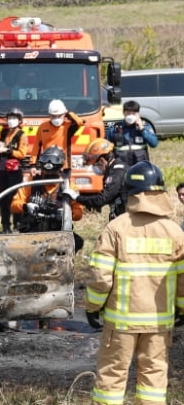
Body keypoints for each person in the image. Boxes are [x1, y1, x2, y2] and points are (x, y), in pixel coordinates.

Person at [86, 161, 184, 405]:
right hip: (159, 324)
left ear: (130, 193)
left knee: (112, 376)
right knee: (153, 377)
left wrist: (92, 307)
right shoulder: (175, 232)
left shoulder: (115, 229)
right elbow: (182, 279)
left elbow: (100, 276)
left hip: (120, 322)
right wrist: (181, 308)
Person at [11, 145, 84, 251]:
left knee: (77, 242)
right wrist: (25, 206)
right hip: (32, 232)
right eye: (46, 171)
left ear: (60, 169)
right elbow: (14, 205)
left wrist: (67, 213)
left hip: (57, 233)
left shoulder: (68, 186)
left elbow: (79, 213)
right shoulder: (32, 182)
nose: (49, 174)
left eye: (53, 172)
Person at [62, 138, 128, 221]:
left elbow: (101, 199)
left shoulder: (118, 172)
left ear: (102, 160)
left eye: (95, 165)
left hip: (127, 220)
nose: (95, 168)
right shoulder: (113, 170)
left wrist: (77, 197)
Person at [0, 108, 28, 233]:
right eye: (10, 118)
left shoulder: (21, 135)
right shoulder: (2, 133)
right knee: (3, 198)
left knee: (15, 197)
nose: (11, 121)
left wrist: (8, 151)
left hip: (14, 170)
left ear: (19, 120)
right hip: (1, 168)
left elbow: (22, 153)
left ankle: (18, 224)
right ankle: (5, 226)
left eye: (14, 118)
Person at [29, 99, 85, 177]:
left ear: (64, 114)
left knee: (65, 188)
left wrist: (68, 113)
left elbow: (80, 122)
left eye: (59, 115)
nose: (56, 118)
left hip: (64, 167)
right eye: (54, 116)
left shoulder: (67, 127)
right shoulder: (43, 127)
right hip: (47, 165)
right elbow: (36, 147)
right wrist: (33, 165)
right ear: (49, 115)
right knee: (45, 188)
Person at [106, 100, 158, 168]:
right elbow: (106, 147)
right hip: (120, 164)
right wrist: (111, 160)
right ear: (123, 113)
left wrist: (142, 129)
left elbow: (154, 143)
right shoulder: (115, 129)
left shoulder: (145, 126)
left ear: (138, 114)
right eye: (128, 113)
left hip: (140, 163)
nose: (131, 116)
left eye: (134, 114)